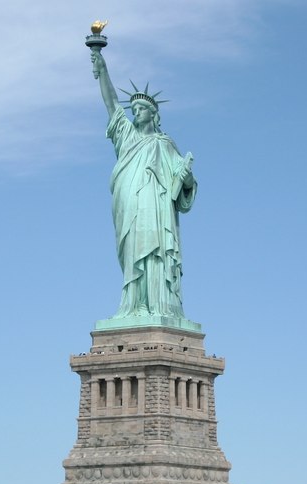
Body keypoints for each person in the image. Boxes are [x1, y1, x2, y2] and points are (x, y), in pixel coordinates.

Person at [89, 43, 197, 322]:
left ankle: (161, 307)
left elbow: (183, 186)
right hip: (130, 205)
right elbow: (112, 104)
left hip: (157, 209)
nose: (136, 112)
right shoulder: (127, 137)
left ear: (153, 114)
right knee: (133, 252)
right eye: (134, 109)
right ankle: (133, 306)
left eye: (141, 109)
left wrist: (186, 179)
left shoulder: (164, 145)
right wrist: (102, 68)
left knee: (157, 253)